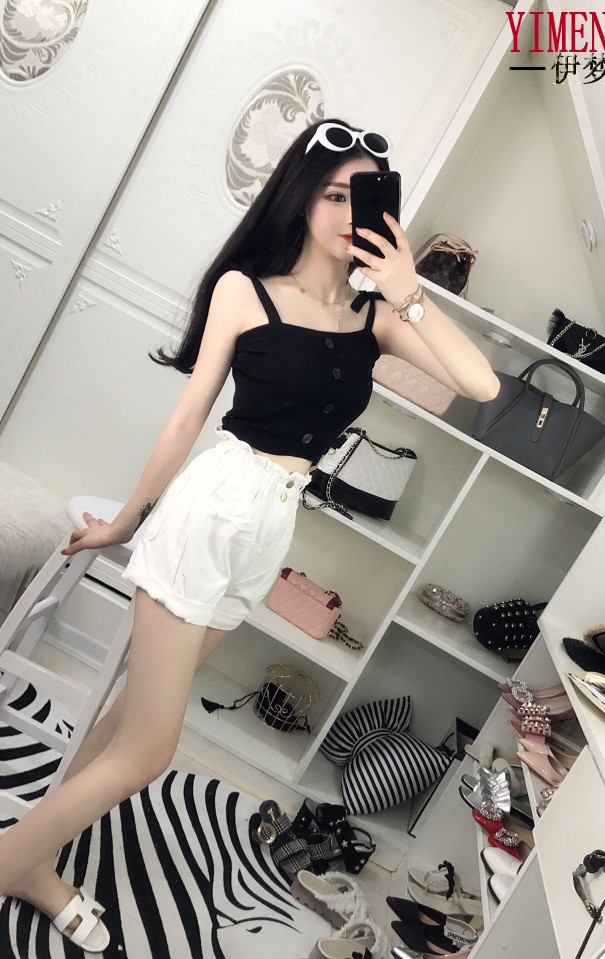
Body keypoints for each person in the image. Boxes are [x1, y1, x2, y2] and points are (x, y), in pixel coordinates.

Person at [0, 117, 500, 949]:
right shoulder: (248, 290)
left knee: (129, 720)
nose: (346, 211)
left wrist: (410, 287)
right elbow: (188, 416)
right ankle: (12, 862)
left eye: (363, 197)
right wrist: (127, 519)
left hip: (269, 529)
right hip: (214, 509)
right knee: (150, 751)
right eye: (333, 193)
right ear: (301, 198)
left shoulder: (376, 317)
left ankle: (35, 858)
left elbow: (480, 383)